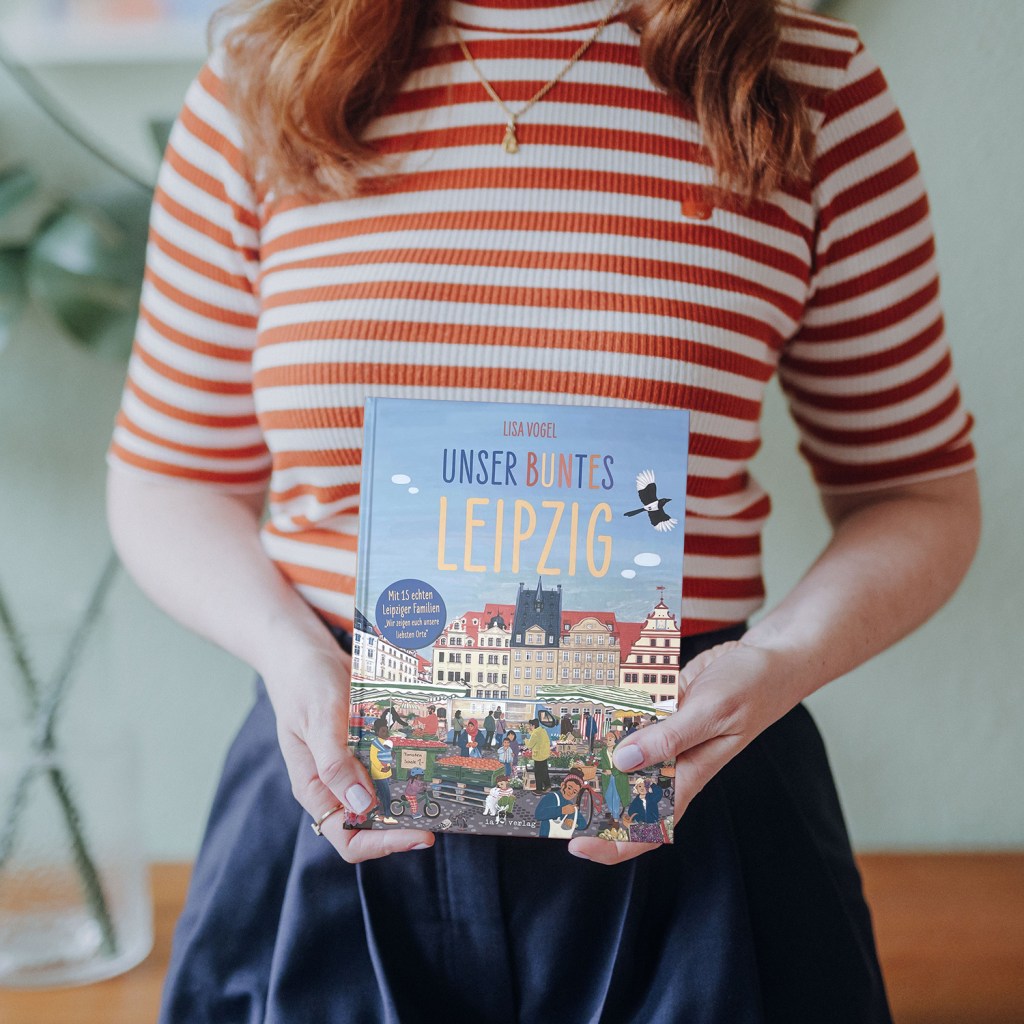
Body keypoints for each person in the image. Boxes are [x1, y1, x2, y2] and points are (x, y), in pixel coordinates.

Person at [105, 0, 979, 1020]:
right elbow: (169, 478)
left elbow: (916, 492)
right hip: (332, 787)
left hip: (693, 799)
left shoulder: (808, 82)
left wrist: (781, 660)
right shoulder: (263, 77)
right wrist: (284, 648)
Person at [525, 718, 552, 793]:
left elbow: (530, 745)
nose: (530, 727)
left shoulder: (535, 734)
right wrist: (530, 732)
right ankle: (548, 786)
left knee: (538, 773)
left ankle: (539, 789)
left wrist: (525, 740)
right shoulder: (542, 730)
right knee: (544, 771)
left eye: (530, 725)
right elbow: (536, 736)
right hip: (544, 754)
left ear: (533, 725)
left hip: (538, 756)